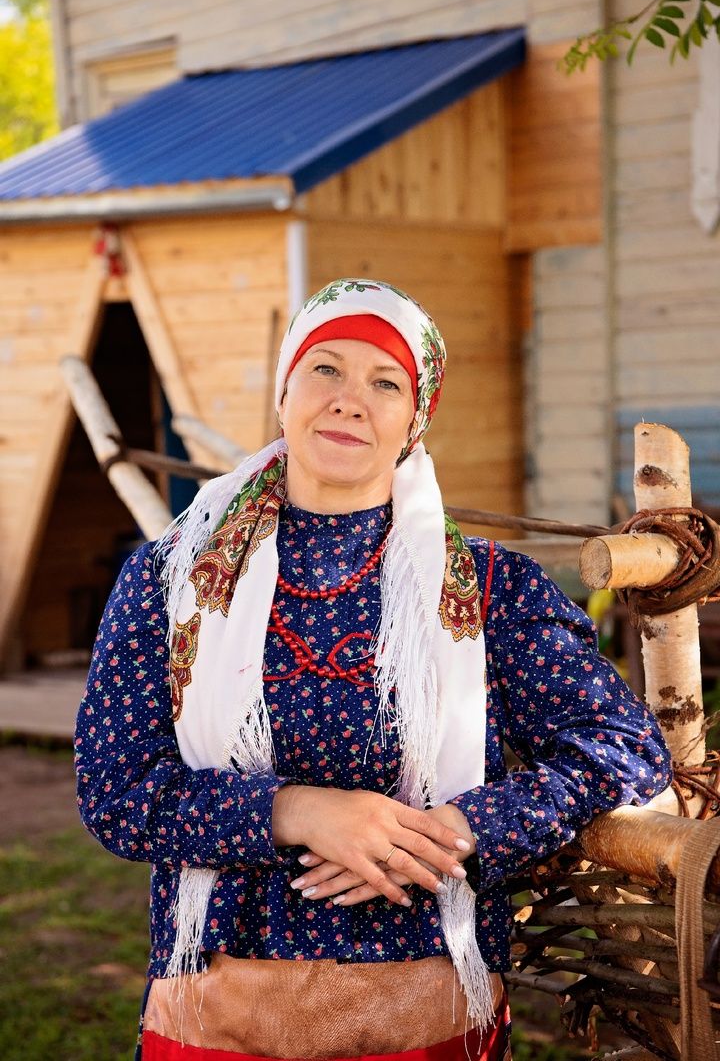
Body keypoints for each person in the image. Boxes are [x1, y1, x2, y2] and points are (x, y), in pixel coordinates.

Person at [75, 278, 673, 1061]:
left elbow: (623, 747)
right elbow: (116, 791)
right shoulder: (172, 580)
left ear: (414, 419)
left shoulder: (491, 591)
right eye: (325, 368)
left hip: (426, 1012)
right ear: (284, 392)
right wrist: (300, 813)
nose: (349, 401)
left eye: (385, 383)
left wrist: (455, 832)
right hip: (218, 1007)